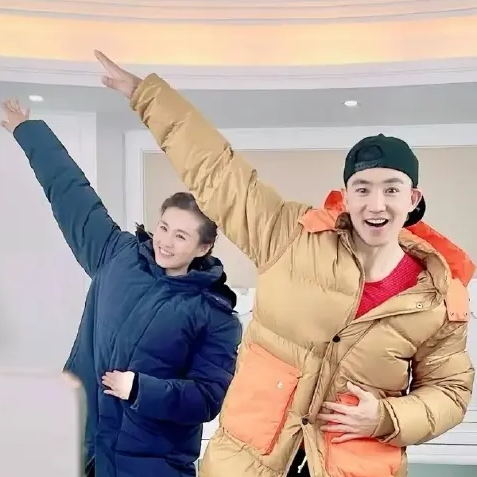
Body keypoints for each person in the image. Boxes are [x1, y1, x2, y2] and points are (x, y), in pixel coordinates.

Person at [94, 51, 475, 477]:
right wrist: (146, 95)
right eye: (363, 188)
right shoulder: (289, 237)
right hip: (245, 463)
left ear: (412, 198)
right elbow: (217, 171)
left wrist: (387, 417)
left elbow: (450, 391)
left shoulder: (437, 296)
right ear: (346, 196)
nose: (376, 203)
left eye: (391, 189)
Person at [1, 100, 242, 477]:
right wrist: (29, 132)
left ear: (203, 247)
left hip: (148, 465)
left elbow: (206, 398)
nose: (165, 242)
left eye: (181, 236)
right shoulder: (117, 255)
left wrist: (141, 389)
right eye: (164, 227)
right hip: (80, 450)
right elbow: (72, 195)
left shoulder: (215, 316)